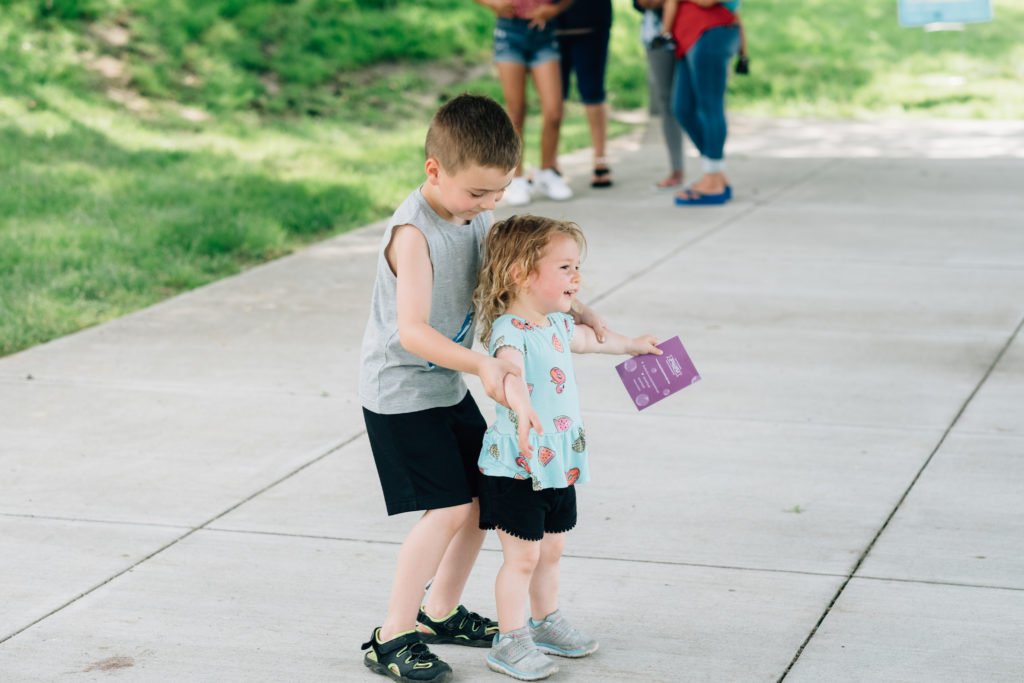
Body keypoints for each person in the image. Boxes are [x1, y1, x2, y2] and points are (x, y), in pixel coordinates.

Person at [358, 94, 606, 683]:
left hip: (448, 384)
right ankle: (392, 634)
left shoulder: (477, 218)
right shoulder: (413, 235)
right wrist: (483, 366)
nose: (489, 204)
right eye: (477, 193)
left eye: (499, 192)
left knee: (480, 500)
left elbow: (508, 283)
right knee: (447, 508)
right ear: (434, 171)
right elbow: (413, 333)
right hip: (401, 392)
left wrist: (577, 309)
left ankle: (439, 611)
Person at [472, 215, 661, 680]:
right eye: (565, 268)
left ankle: (545, 620)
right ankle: (510, 640)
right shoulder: (509, 331)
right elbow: (507, 369)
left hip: (557, 463)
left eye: (576, 267)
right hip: (517, 465)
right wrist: (517, 396)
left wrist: (632, 346)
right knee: (523, 558)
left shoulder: (555, 323)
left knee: (551, 552)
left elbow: (593, 342)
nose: (577, 278)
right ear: (520, 273)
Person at [477, 0, 576, 206]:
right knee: (516, 111)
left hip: (544, 33)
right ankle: (516, 178)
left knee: (554, 112)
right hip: (509, 33)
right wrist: (491, 3)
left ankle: (548, 172)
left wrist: (556, 9)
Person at [659, 0, 742, 205]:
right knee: (682, 109)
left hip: (711, 32)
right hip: (687, 36)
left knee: (710, 106)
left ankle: (713, 178)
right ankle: (716, 173)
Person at [556, 0, 614, 188]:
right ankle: (550, 162)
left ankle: (600, 158)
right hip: (550, 26)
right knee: (553, 99)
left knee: (593, 93)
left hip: (591, 23)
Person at [633, 0, 687, 189]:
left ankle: (712, 168)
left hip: (694, 32)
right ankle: (676, 168)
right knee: (667, 102)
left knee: (697, 101)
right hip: (657, 38)